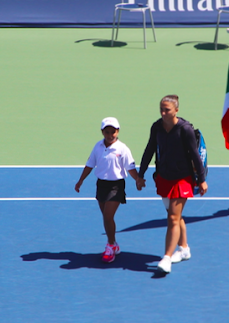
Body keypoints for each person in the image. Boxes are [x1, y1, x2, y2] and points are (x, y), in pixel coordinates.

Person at [137, 95, 208, 274]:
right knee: (174, 214)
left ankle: (166, 258)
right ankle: (184, 249)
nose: (163, 112)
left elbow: (194, 155)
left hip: (182, 178)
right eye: (161, 108)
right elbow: (150, 149)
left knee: (172, 219)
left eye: (167, 109)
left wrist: (202, 179)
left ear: (176, 110)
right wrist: (141, 174)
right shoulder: (156, 127)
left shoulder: (185, 130)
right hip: (164, 176)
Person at [75, 117, 142, 263]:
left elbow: (130, 167)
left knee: (107, 216)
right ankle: (114, 244)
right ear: (102, 132)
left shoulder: (123, 148)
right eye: (107, 132)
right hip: (101, 185)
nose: (110, 135)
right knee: (107, 219)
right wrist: (81, 180)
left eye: (113, 132)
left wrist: (137, 179)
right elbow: (90, 164)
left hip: (116, 186)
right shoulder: (97, 147)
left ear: (118, 132)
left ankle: (110, 246)